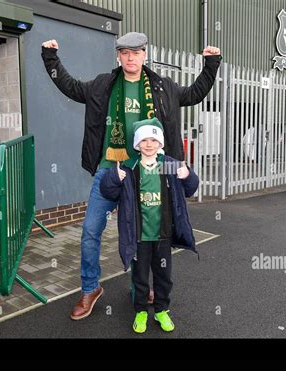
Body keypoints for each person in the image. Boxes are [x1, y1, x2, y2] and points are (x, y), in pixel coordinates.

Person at [41, 32, 221, 320]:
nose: (130, 58)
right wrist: (51, 59)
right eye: (124, 52)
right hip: (109, 170)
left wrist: (211, 64)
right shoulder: (103, 85)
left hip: (146, 172)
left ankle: (140, 289)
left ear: (144, 55)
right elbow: (71, 87)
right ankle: (90, 289)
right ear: (118, 56)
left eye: (135, 52)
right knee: (90, 231)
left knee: (145, 235)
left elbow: (194, 94)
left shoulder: (163, 87)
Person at [100, 117, 199, 333]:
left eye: (153, 140)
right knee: (140, 277)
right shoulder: (130, 167)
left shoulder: (169, 165)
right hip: (140, 236)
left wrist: (187, 175)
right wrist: (113, 178)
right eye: (143, 140)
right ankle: (142, 311)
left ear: (160, 143)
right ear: (137, 144)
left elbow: (191, 188)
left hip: (162, 235)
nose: (148, 144)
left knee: (163, 276)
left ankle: (162, 310)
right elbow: (107, 191)